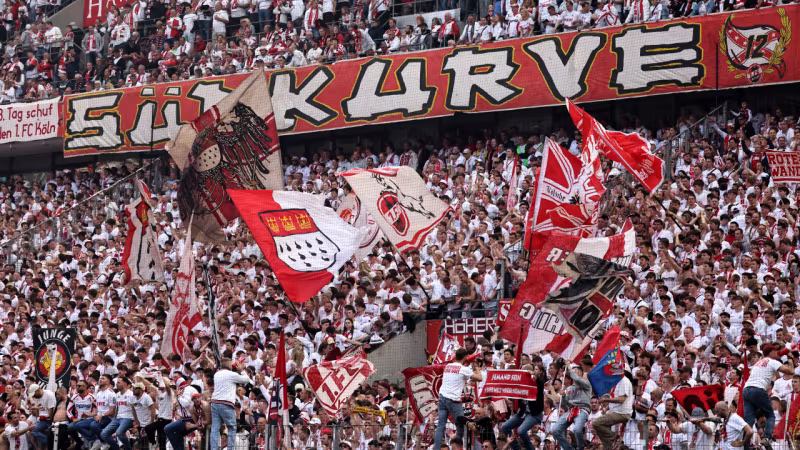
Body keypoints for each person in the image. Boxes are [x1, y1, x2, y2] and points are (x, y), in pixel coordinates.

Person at [743, 344, 794, 444]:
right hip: (758, 389)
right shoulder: (772, 361)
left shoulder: (758, 363)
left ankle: (745, 444)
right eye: (775, 351)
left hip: (746, 389)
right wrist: (790, 360)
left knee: (749, 419)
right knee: (770, 415)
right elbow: (791, 371)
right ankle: (767, 438)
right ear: (771, 353)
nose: (777, 353)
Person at [433, 348, 483, 450]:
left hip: (442, 398)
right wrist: (476, 367)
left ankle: (437, 448)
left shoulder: (448, 366)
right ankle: (457, 448)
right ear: (465, 357)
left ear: (455, 356)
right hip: (453, 400)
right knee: (460, 425)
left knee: (440, 426)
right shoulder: (463, 369)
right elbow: (479, 378)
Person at [500, 363, 546, 450]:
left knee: (521, 431)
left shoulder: (537, 381)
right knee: (505, 427)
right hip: (522, 413)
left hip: (534, 413)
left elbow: (540, 382)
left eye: (522, 372)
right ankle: (517, 448)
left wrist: (532, 376)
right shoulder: (521, 382)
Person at [210, 358, 253, 450]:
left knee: (215, 428)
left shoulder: (216, 374)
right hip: (226, 404)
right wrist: (241, 369)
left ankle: (214, 448)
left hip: (214, 403)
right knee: (232, 427)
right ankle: (230, 448)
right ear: (229, 365)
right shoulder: (231, 374)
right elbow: (246, 379)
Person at [552, 360, 593, 450]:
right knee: (555, 430)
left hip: (583, 410)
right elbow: (566, 403)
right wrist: (563, 396)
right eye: (572, 371)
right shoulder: (569, 388)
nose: (573, 373)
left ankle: (580, 448)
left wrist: (569, 367)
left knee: (577, 430)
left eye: (575, 371)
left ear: (581, 373)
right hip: (571, 410)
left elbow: (577, 380)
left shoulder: (586, 384)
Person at [591, 373, 633, 450]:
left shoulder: (624, 381)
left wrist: (605, 400)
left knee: (596, 423)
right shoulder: (615, 381)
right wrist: (606, 409)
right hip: (615, 411)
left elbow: (621, 399)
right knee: (600, 428)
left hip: (622, 413)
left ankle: (615, 437)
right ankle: (609, 447)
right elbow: (614, 398)